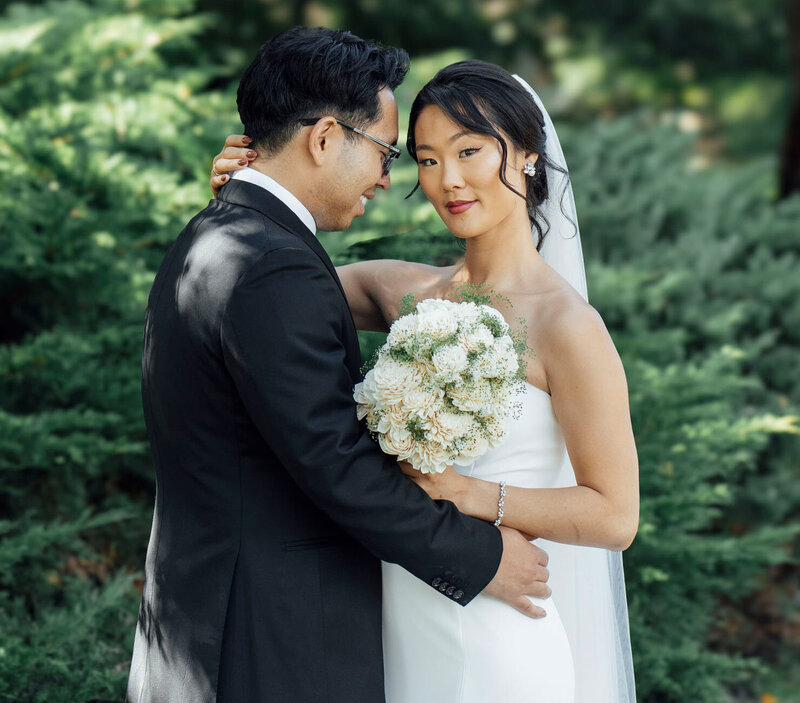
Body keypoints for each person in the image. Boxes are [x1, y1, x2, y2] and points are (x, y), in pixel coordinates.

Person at [127, 30, 552, 703]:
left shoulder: (220, 236)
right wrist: (480, 557)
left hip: (210, 621)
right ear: (325, 138)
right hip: (269, 640)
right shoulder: (270, 264)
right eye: (388, 153)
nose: (391, 179)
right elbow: (335, 461)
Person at [212, 59, 640, 702]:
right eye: (427, 159)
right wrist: (246, 195)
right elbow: (272, 285)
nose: (449, 180)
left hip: (495, 625)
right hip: (387, 622)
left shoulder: (568, 327)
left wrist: (471, 494)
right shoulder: (400, 289)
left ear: (527, 155)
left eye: (469, 151)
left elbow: (614, 515)